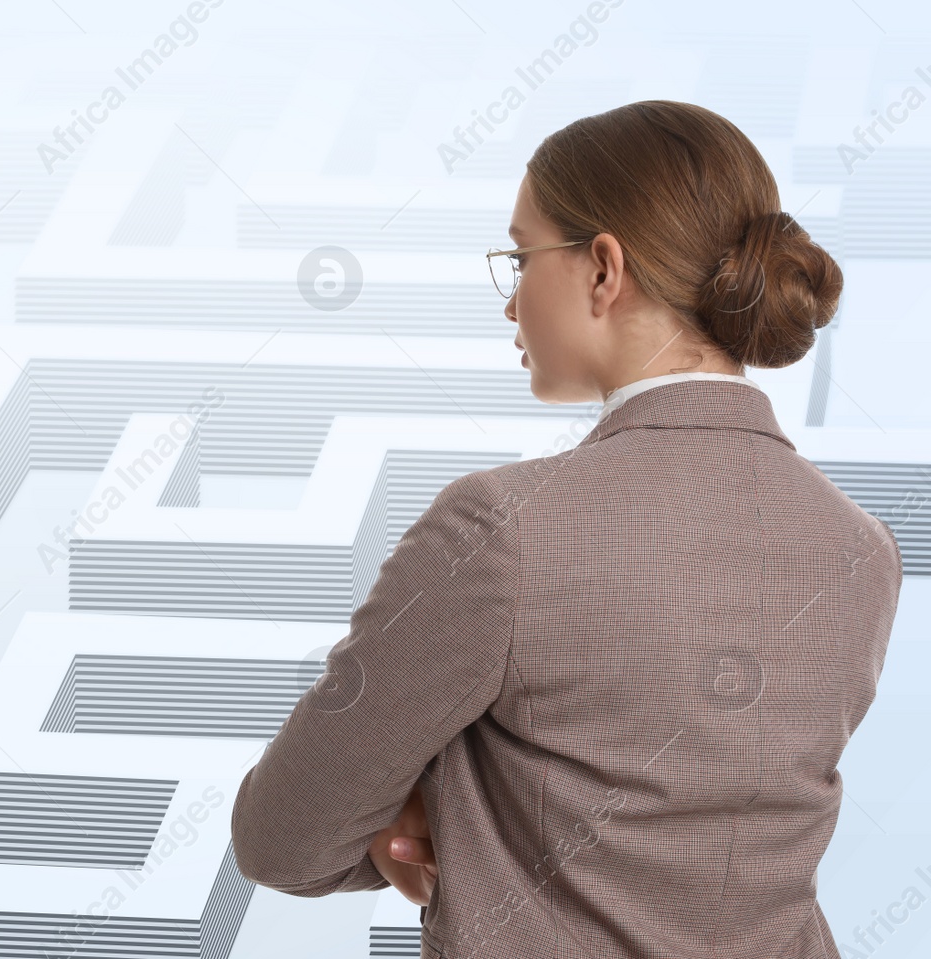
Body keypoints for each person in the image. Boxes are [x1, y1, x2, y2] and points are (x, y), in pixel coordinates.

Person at [229, 100, 903, 959]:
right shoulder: (861, 549)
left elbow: (281, 836)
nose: (511, 303)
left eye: (520, 257)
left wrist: (418, 809)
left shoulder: (499, 532)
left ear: (602, 269)